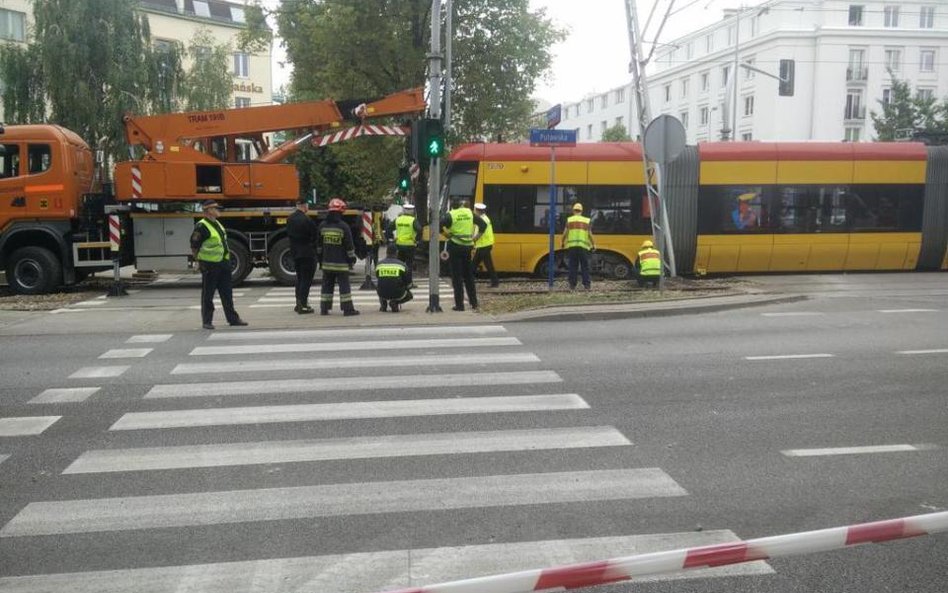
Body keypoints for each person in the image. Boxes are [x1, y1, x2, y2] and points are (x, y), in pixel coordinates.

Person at [190, 199, 248, 330]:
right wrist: (198, 262)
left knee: (227, 293)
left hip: (223, 263)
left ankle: (233, 319)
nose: (218, 211)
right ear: (209, 210)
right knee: (208, 294)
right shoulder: (202, 226)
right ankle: (207, 321)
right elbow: (194, 246)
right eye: (216, 209)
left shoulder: (217, 224)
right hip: (210, 265)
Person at [440, 197, 487, 311]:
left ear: (451, 205)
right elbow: (483, 225)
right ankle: (474, 303)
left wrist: (446, 235)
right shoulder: (469, 212)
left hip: (455, 247)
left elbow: (438, 225)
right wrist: (476, 238)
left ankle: (460, 305)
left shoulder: (451, 215)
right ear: (461, 204)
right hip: (468, 248)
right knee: (468, 276)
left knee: (457, 278)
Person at [316, 197, 360, 316]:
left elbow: (319, 246)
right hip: (341, 264)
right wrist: (352, 259)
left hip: (326, 263)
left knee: (326, 286)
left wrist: (320, 260)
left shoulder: (322, 226)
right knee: (344, 287)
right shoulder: (343, 226)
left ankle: (324, 308)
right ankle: (347, 309)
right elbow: (349, 246)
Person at [286, 197, 319, 314]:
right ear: (304, 206)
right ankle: (303, 305)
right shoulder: (307, 220)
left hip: (295, 253)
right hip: (307, 253)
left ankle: (298, 303)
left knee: (299, 279)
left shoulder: (290, 219)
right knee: (306, 280)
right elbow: (315, 236)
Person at [560, 202, 595, 290]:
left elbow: (564, 233)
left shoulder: (569, 220)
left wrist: (562, 242)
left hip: (572, 247)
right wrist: (593, 244)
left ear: (573, 211)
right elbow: (590, 234)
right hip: (583, 247)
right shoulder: (586, 220)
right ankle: (587, 285)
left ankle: (572, 285)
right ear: (581, 211)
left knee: (573, 266)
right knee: (584, 266)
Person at [390, 203, 422, 287]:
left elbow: (389, 228)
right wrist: (417, 240)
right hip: (410, 245)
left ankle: (398, 282)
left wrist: (392, 239)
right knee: (409, 265)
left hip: (399, 245)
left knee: (399, 264)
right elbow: (420, 230)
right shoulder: (413, 220)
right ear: (412, 211)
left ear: (403, 211)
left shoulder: (398, 219)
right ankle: (409, 283)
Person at [376, 244, 413, 312]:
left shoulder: (379, 264)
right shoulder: (402, 265)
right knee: (409, 295)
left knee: (382, 285)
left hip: (381, 292)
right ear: (397, 253)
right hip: (398, 293)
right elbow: (409, 284)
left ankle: (383, 304)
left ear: (386, 253)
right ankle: (395, 302)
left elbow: (379, 278)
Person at [473, 202, 499, 287]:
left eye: (475, 210)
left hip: (484, 245)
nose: (474, 212)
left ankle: (495, 282)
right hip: (483, 245)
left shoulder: (483, 219)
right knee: (475, 264)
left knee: (487, 264)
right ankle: (469, 280)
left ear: (478, 211)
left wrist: (474, 239)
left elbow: (481, 232)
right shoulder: (483, 218)